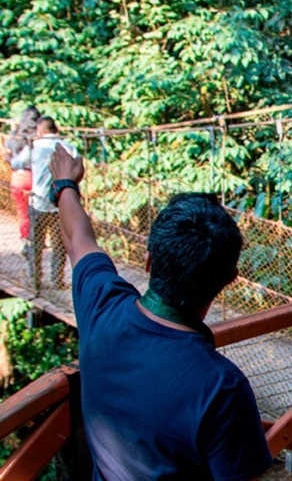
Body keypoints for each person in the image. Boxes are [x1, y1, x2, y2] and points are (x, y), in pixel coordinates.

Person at [48, 144, 272, 480]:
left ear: (149, 260)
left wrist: (64, 184)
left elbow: (77, 238)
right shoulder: (222, 388)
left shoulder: (101, 307)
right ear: (229, 280)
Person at [27, 117, 77, 291]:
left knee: (36, 243)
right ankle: (57, 280)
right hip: (60, 204)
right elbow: (77, 166)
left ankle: (35, 279)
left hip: (38, 202)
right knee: (59, 245)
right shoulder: (68, 147)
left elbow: (18, 163)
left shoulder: (34, 147)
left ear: (40, 131)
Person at [2, 106, 40, 253]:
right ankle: (36, 240)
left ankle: (26, 240)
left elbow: (9, 154)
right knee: (37, 212)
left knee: (22, 212)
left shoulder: (15, 136)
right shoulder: (39, 135)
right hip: (35, 177)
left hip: (19, 177)